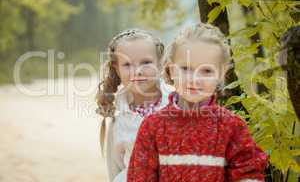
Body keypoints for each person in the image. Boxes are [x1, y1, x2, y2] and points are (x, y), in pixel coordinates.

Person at [127, 23, 268, 182]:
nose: (194, 79)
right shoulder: (153, 127)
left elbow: (248, 175)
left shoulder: (231, 127)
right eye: (186, 68)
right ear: (171, 70)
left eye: (206, 71)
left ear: (221, 74)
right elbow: (139, 177)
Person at [96, 29, 171, 182]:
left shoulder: (178, 106)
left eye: (146, 62)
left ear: (160, 64)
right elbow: (115, 172)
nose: (137, 71)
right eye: (127, 64)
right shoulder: (119, 123)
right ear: (117, 69)